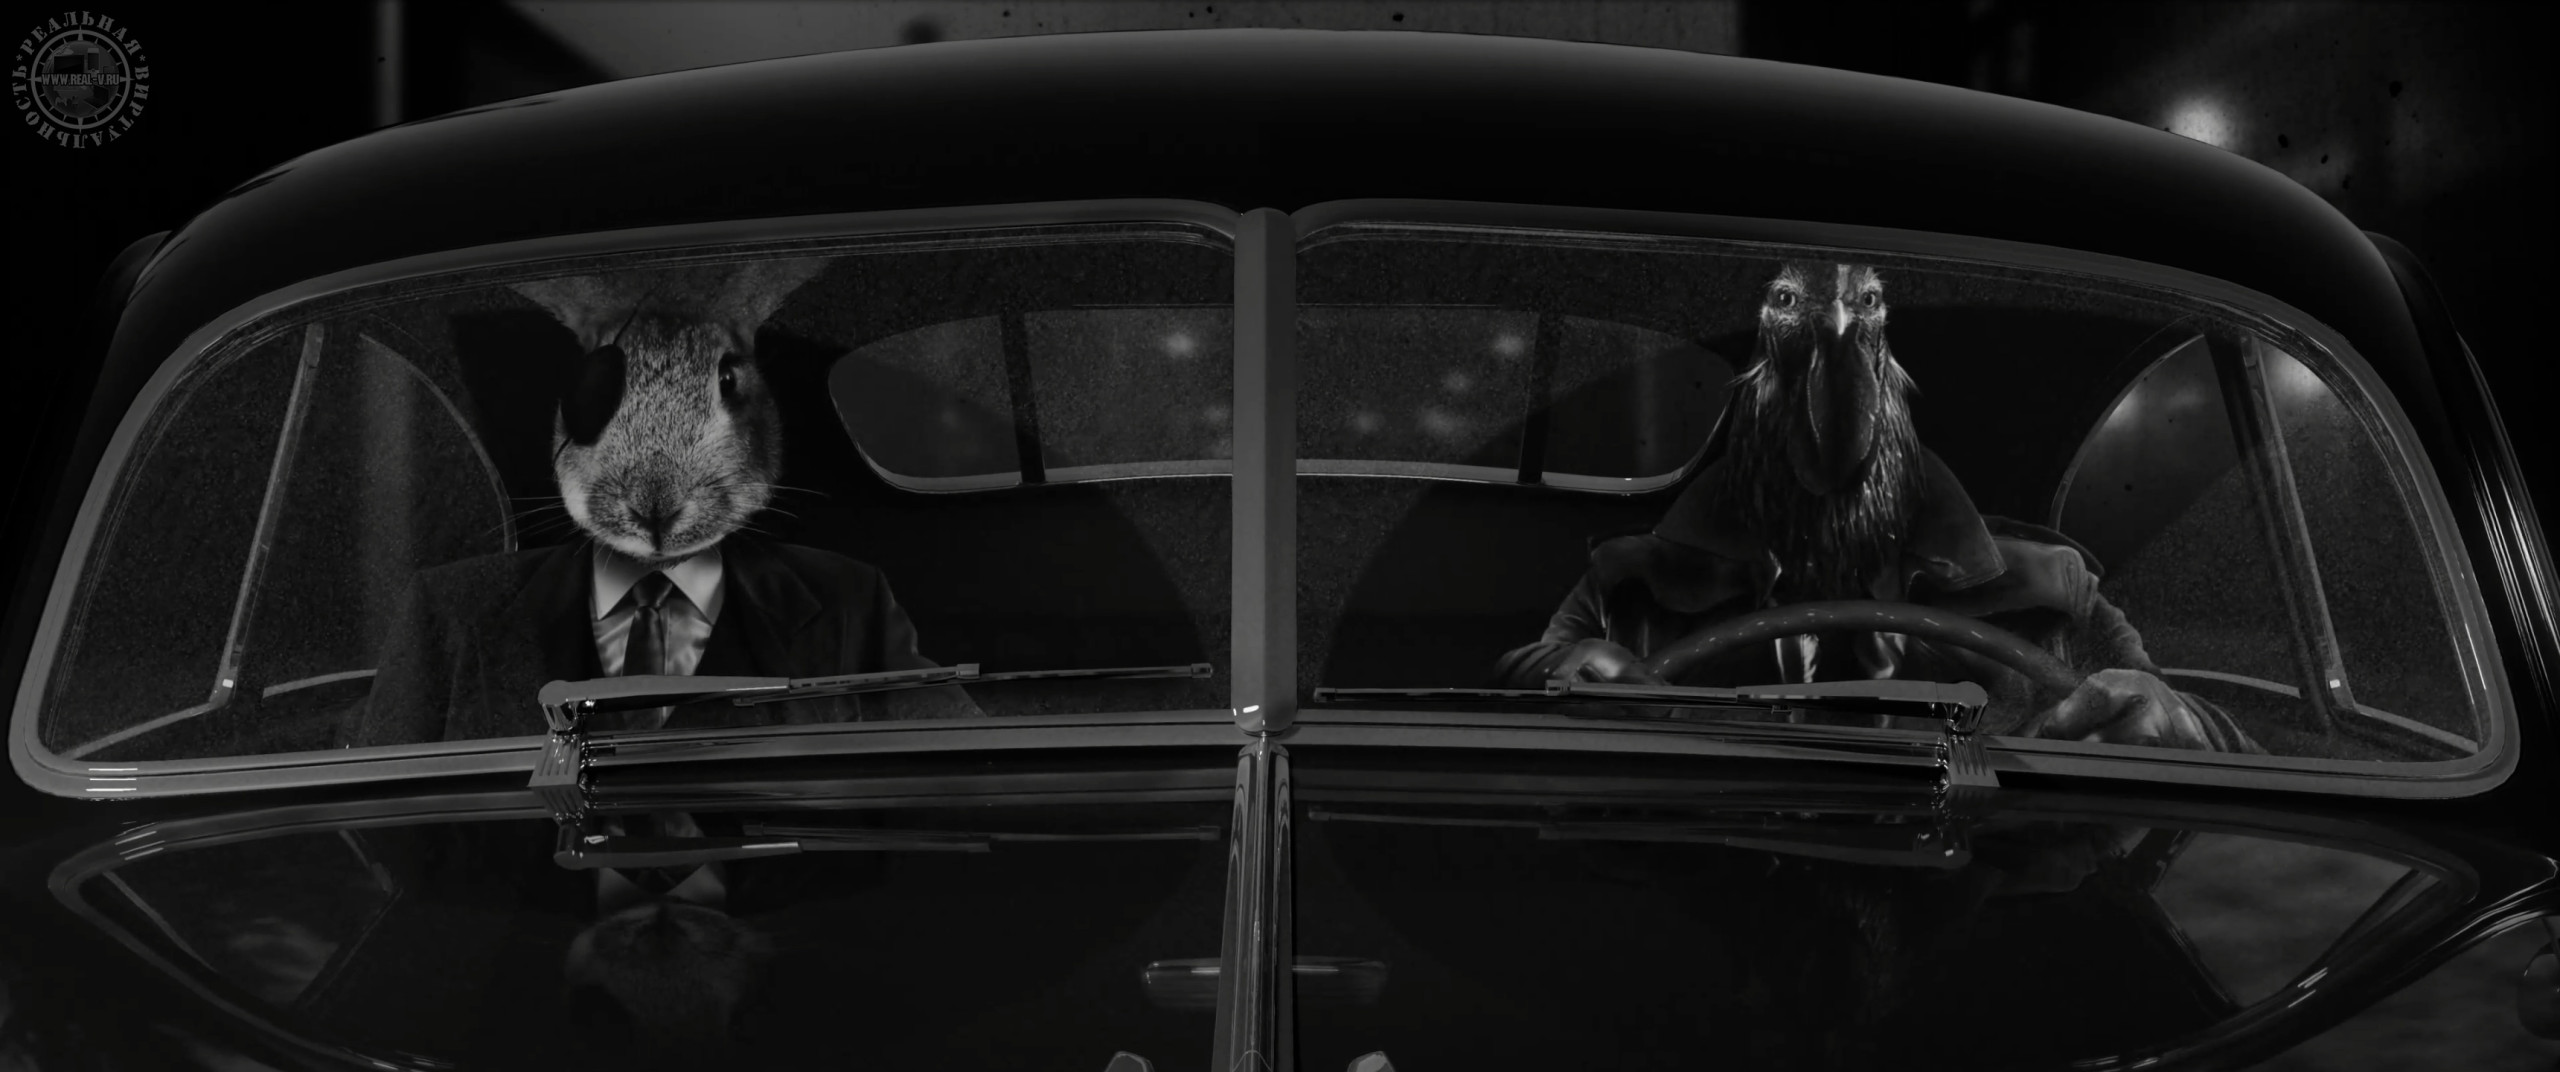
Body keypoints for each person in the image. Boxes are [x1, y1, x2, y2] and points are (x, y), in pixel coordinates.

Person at [1495, 260, 2262, 753]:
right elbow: (1513, 683)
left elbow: (2206, 738)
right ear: (1767, 336)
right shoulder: (1631, 584)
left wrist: (2170, 717)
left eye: (1862, 302)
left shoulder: (2049, 594)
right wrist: (1562, 668)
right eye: (1792, 300)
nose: (1835, 318)